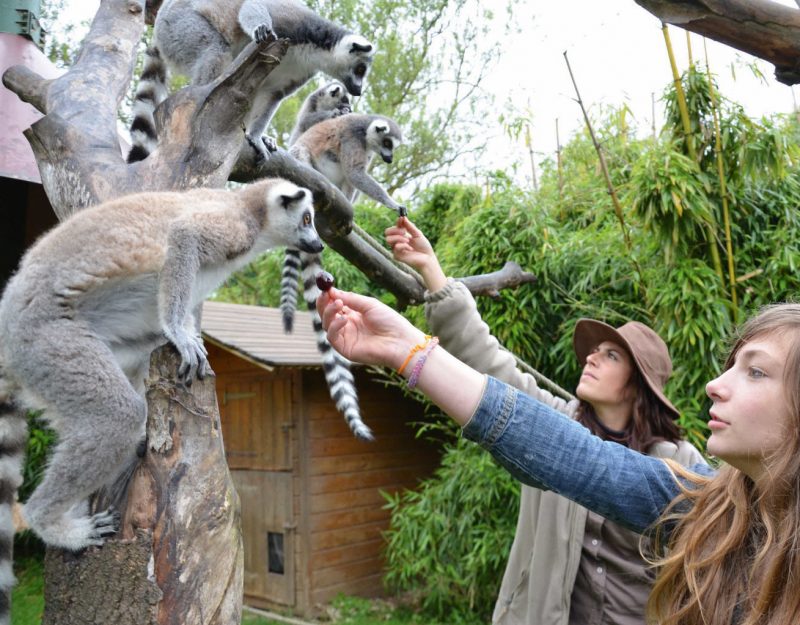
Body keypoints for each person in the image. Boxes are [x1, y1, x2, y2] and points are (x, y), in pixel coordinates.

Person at [317, 286, 800, 625]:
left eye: (755, 372)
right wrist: (409, 345)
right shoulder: (705, 500)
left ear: (640, 386)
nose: (715, 385)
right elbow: (564, 447)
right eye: (730, 366)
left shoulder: (676, 458)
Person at [385, 217, 703, 624]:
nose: (590, 357)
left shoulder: (677, 464)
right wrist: (431, 269)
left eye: (611, 355)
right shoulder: (552, 427)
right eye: (594, 351)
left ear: (638, 386)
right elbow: (486, 360)